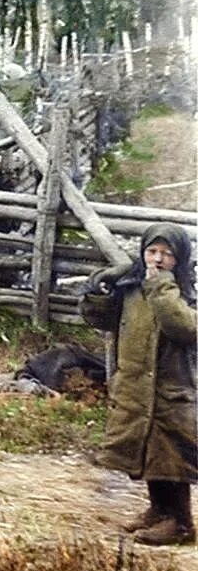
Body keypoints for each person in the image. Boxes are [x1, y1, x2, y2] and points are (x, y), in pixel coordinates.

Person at [81, 224, 196, 546]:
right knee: (147, 452)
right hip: (135, 384)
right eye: (152, 252)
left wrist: (161, 286)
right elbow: (104, 320)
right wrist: (98, 293)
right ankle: (158, 511)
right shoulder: (133, 286)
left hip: (174, 389)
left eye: (167, 254)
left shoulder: (187, 291)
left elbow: (184, 327)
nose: (158, 260)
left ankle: (181, 522)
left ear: (180, 258)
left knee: (171, 456)